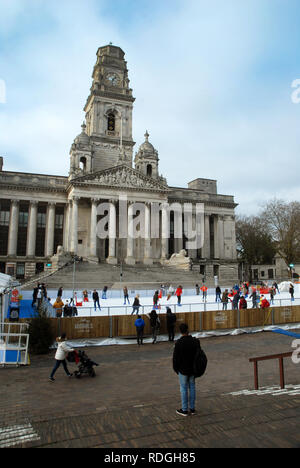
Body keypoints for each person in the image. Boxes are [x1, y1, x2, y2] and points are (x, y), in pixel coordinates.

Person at [172, 323, 200, 416]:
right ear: (188, 330)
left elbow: (175, 358)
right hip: (192, 369)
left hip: (183, 369)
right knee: (192, 387)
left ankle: (184, 409)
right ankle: (192, 408)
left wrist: (176, 369)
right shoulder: (194, 341)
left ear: (180, 331)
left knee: (183, 388)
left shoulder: (179, 343)